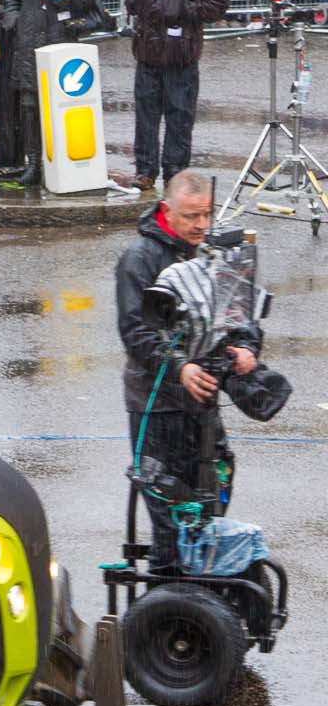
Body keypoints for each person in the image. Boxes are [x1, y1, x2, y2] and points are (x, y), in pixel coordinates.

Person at [113, 172, 262, 571]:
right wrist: (179, 368)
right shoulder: (140, 260)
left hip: (203, 404)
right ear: (167, 211)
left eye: (207, 215)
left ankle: (202, 588)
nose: (201, 225)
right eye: (191, 216)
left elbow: (239, 314)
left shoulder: (213, 253)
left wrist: (247, 348)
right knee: (169, 513)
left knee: (212, 498)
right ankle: (170, 604)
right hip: (156, 405)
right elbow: (135, 331)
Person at [128, 0, 228, 191]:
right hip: (148, 49)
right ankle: (145, 169)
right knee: (146, 113)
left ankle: (174, 172)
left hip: (181, 52)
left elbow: (219, 1)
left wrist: (186, 9)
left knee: (179, 115)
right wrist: (142, 4)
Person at [0, 0, 95, 185]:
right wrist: (15, 21)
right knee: (30, 106)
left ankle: (63, 162)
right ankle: (34, 163)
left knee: (61, 106)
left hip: (61, 41)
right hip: (29, 42)